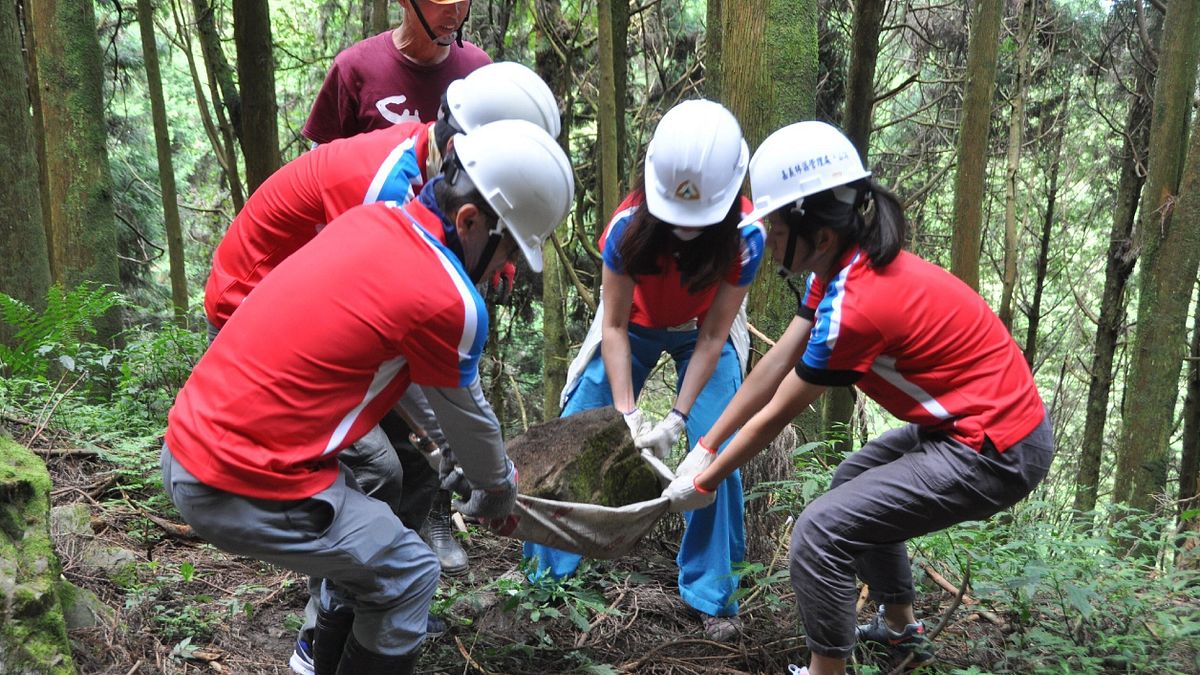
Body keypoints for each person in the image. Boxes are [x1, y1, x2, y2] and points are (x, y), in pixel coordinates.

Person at [163, 120, 574, 675]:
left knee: (370, 530)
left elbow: (423, 391)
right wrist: (497, 489)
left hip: (193, 445)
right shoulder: (449, 298)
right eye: (508, 250)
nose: (507, 270)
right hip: (237, 479)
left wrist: (453, 456)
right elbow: (471, 421)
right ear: (470, 220)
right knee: (409, 573)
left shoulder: (374, 220)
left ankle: (314, 663)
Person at [662, 121, 1055, 674]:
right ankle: (900, 628)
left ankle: (830, 669)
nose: (768, 239)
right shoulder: (843, 266)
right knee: (851, 482)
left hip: (995, 445)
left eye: (776, 227)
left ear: (818, 234)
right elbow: (772, 366)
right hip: (978, 424)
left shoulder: (859, 305)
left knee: (821, 531)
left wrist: (702, 483)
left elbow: (777, 413)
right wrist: (704, 446)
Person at [523, 99, 765, 642]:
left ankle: (712, 592)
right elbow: (611, 327)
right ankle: (544, 580)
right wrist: (628, 414)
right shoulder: (627, 229)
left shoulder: (747, 234)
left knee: (718, 448)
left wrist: (680, 421)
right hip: (628, 325)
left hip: (704, 330)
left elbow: (713, 335)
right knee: (576, 426)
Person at [303, 0, 490, 144]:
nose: (454, 12)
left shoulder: (479, 70)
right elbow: (320, 169)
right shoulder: (352, 69)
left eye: (463, 1)